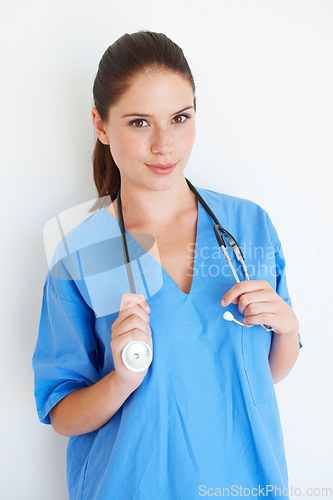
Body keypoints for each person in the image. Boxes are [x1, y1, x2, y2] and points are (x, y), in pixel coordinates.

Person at [32, 30, 302, 500]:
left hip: (244, 483)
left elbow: (264, 373)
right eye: (139, 123)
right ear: (100, 124)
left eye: (180, 118)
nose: (165, 145)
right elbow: (62, 414)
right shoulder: (82, 253)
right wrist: (121, 381)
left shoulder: (246, 228)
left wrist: (288, 328)